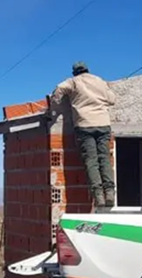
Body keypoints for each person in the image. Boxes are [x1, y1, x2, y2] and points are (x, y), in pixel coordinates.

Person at [50, 61, 117, 207]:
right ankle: (110, 192)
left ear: (75, 72)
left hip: (84, 125)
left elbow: (58, 89)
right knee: (104, 158)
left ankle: (98, 195)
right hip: (103, 124)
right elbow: (112, 100)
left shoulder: (73, 82)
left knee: (91, 160)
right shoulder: (99, 80)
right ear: (88, 70)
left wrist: (54, 107)